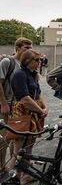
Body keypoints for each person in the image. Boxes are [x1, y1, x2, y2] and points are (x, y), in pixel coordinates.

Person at [11, 49, 48, 185]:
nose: (39, 62)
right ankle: (14, 181)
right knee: (19, 147)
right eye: (36, 60)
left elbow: (38, 93)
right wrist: (41, 110)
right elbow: (24, 99)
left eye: (40, 60)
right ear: (27, 61)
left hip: (34, 113)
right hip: (23, 113)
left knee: (30, 145)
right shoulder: (20, 74)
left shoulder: (33, 74)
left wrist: (45, 107)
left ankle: (25, 175)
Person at [0, 37, 33, 176]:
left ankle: (12, 169)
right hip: (6, 105)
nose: (29, 50)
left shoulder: (23, 65)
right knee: (3, 139)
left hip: (17, 107)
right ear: (18, 48)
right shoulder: (8, 62)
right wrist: (3, 103)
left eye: (30, 47)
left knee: (16, 137)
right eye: (26, 47)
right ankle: (1, 168)